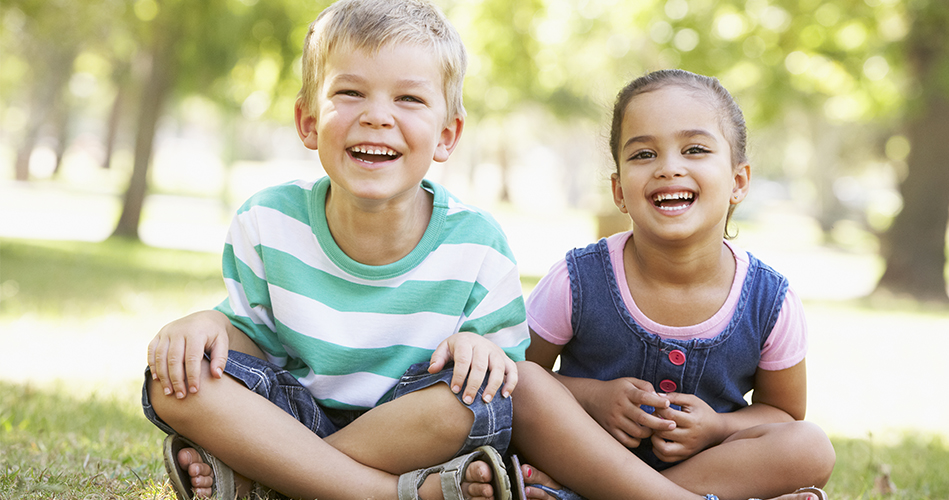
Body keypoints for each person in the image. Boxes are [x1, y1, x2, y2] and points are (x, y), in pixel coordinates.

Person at [142, 1, 530, 498]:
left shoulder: (478, 243)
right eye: (350, 92)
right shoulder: (267, 221)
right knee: (176, 375)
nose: (376, 117)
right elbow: (252, 345)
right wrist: (207, 325)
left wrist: (481, 348)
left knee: (476, 402)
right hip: (294, 413)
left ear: (447, 134)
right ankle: (390, 493)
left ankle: (269, 479)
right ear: (307, 122)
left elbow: (508, 375)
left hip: (409, 426)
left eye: (409, 99)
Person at [507, 69, 836, 500]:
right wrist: (594, 398)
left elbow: (783, 415)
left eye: (695, 149)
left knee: (810, 447)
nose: (669, 167)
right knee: (524, 384)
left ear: (739, 182)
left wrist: (717, 427)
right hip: (586, 461)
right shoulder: (577, 279)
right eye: (643, 155)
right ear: (619, 190)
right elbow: (516, 380)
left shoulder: (769, 301)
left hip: (706, 470)